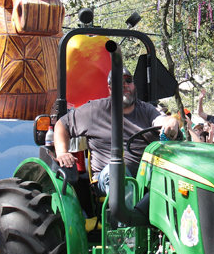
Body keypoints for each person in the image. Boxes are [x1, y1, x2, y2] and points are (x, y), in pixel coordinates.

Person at [54, 66, 180, 196]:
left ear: (134, 85)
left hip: (145, 179)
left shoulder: (147, 110)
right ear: (110, 89)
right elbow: (62, 124)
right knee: (116, 172)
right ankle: (127, 216)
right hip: (107, 181)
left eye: (129, 81)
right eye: (119, 82)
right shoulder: (94, 110)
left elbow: (161, 120)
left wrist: (171, 122)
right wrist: (62, 152)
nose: (125, 85)